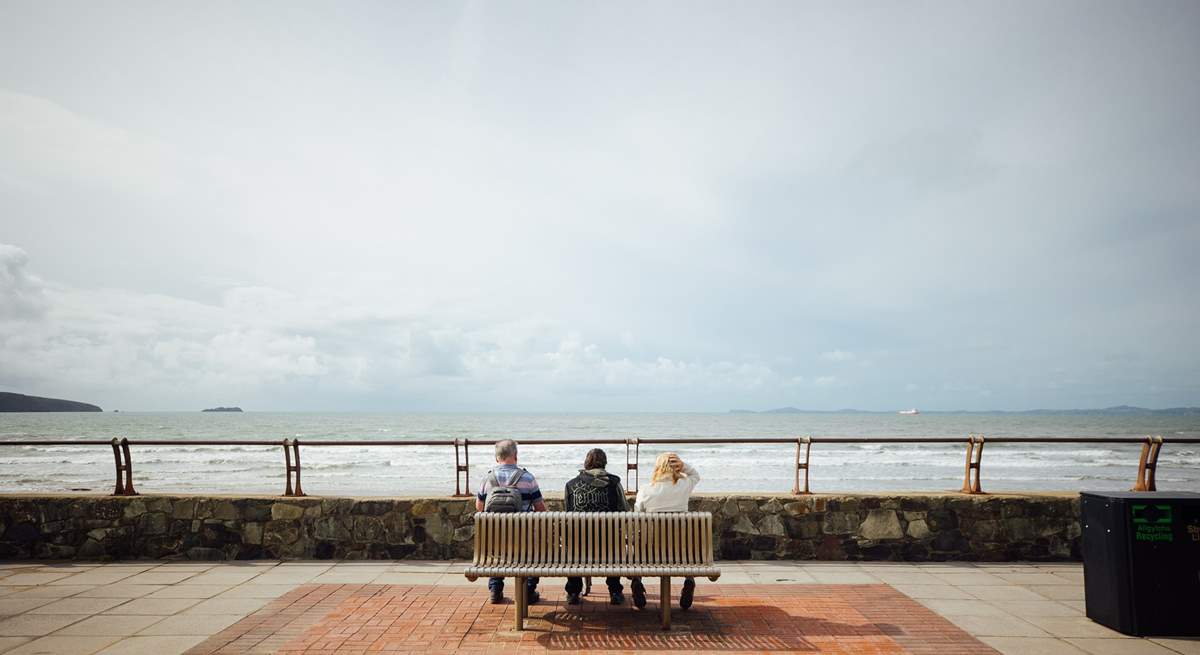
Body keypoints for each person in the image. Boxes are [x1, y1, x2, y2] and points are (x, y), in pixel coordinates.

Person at [476, 439, 546, 604]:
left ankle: (495, 589)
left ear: (496, 458)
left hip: (497, 539)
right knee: (534, 549)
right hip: (524, 540)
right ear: (515, 456)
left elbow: (479, 508)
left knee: (496, 549)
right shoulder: (528, 478)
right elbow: (540, 509)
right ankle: (528, 590)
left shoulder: (487, 479)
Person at [633, 452, 701, 609]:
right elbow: (695, 475)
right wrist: (684, 466)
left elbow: (637, 519)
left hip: (648, 554)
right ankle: (689, 580)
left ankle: (637, 580)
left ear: (657, 468)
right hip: (681, 553)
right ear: (676, 468)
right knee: (686, 544)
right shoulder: (684, 485)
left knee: (639, 544)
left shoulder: (645, 490)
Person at [563, 448, 630, 606]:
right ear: (605, 464)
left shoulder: (571, 485)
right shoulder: (614, 484)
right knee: (614, 540)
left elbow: (568, 513)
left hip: (578, 548)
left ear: (586, 464)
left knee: (573, 542)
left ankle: (573, 591)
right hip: (610, 547)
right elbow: (625, 511)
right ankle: (615, 590)